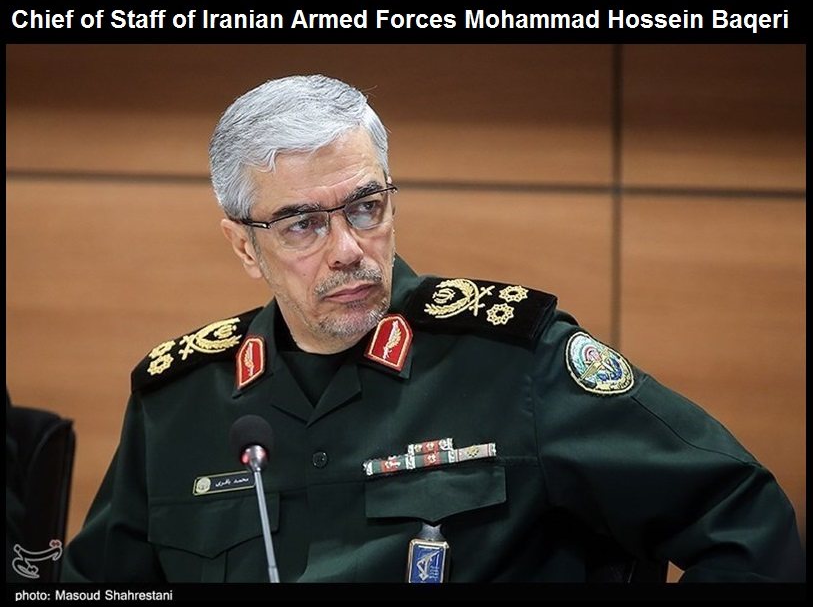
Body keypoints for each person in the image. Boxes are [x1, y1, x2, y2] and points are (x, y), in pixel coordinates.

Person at [61, 74, 804, 583]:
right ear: (243, 246)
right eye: (302, 224)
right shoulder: (178, 401)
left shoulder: (514, 361)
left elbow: (741, 520)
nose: (348, 248)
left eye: (365, 207)